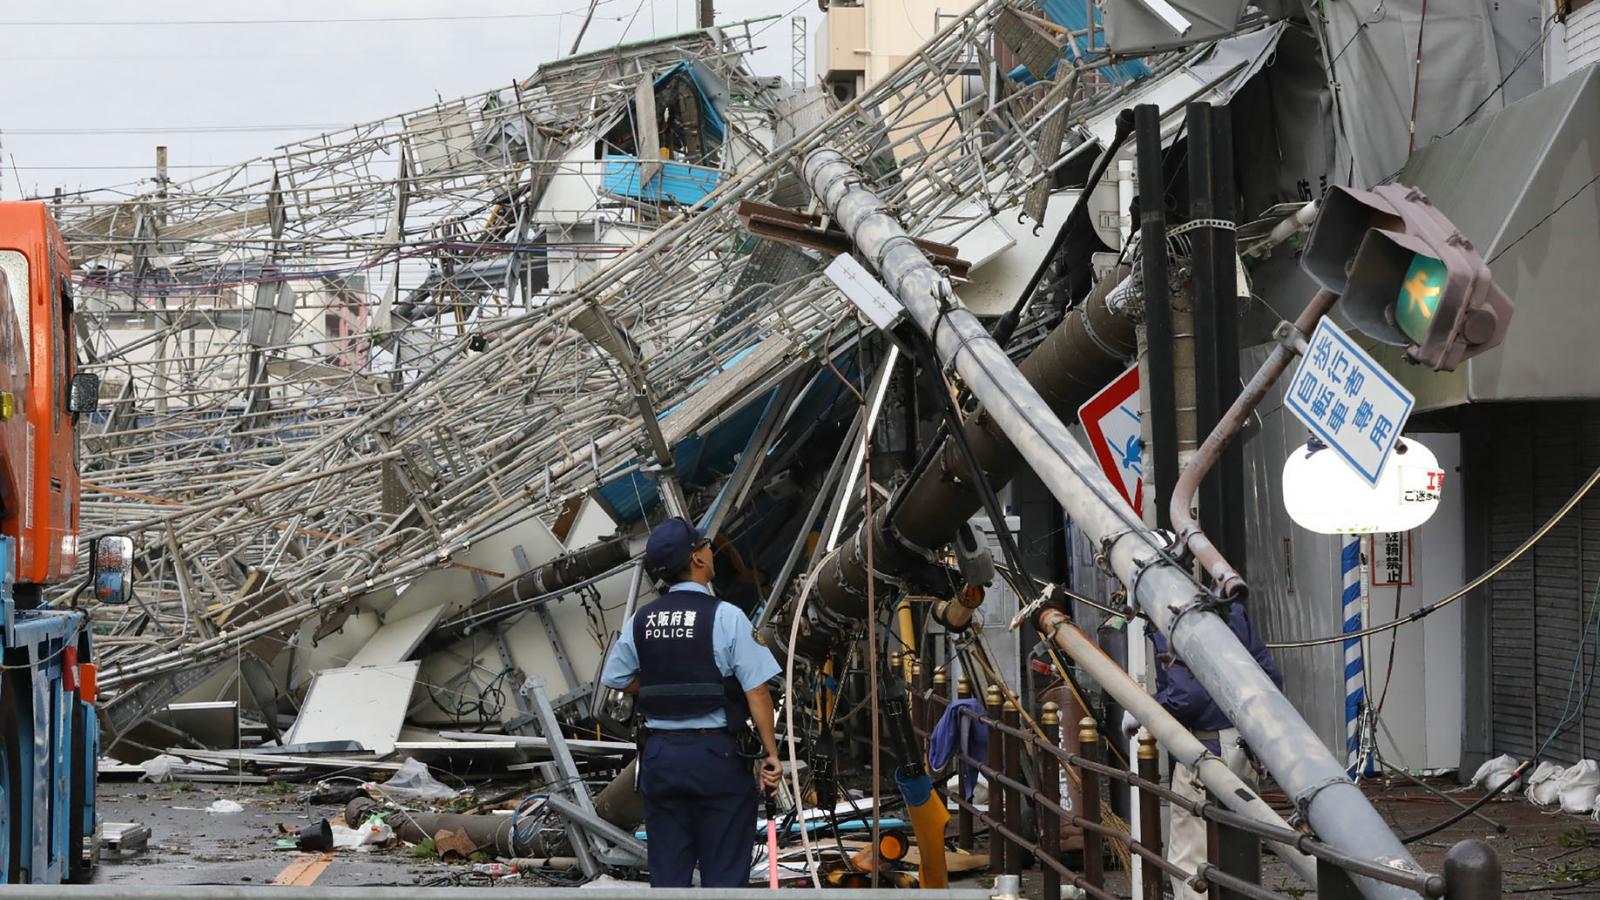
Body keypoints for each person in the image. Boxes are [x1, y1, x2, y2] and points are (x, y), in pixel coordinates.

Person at [601, 516, 784, 887]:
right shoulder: (727, 617)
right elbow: (757, 691)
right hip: (716, 757)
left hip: (660, 758)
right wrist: (771, 754)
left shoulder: (641, 620)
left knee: (668, 872)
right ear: (697, 560)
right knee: (725, 870)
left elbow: (615, 677)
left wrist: (660, 685)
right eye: (704, 545)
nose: (710, 550)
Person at [1123, 603, 1284, 900]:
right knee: (1239, 853)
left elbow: (1188, 696)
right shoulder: (1232, 611)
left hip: (1204, 749)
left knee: (1192, 857)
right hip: (1244, 745)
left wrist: (1148, 708)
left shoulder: (1166, 619)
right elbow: (1270, 679)